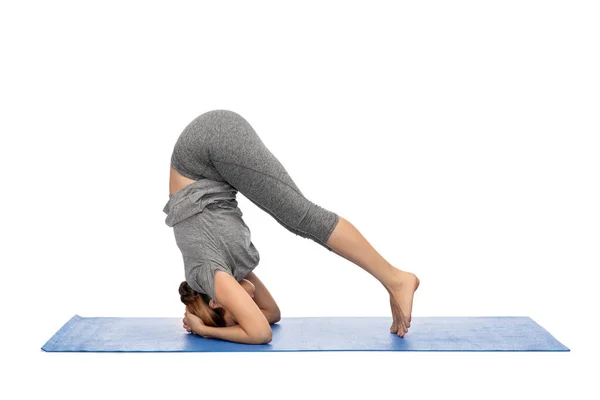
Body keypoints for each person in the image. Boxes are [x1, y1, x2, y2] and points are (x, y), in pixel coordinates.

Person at [163, 109, 420, 344]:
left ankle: (396, 280)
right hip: (206, 161)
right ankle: (394, 281)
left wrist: (205, 330)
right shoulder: (223, 274)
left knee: (302, 217)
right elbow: (271, 315)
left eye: (237, 317)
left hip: (204, 148)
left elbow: (260, 333)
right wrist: (228, 320)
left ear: (218, 302)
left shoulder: (214, 277)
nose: (248, 305)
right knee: (299, 218)